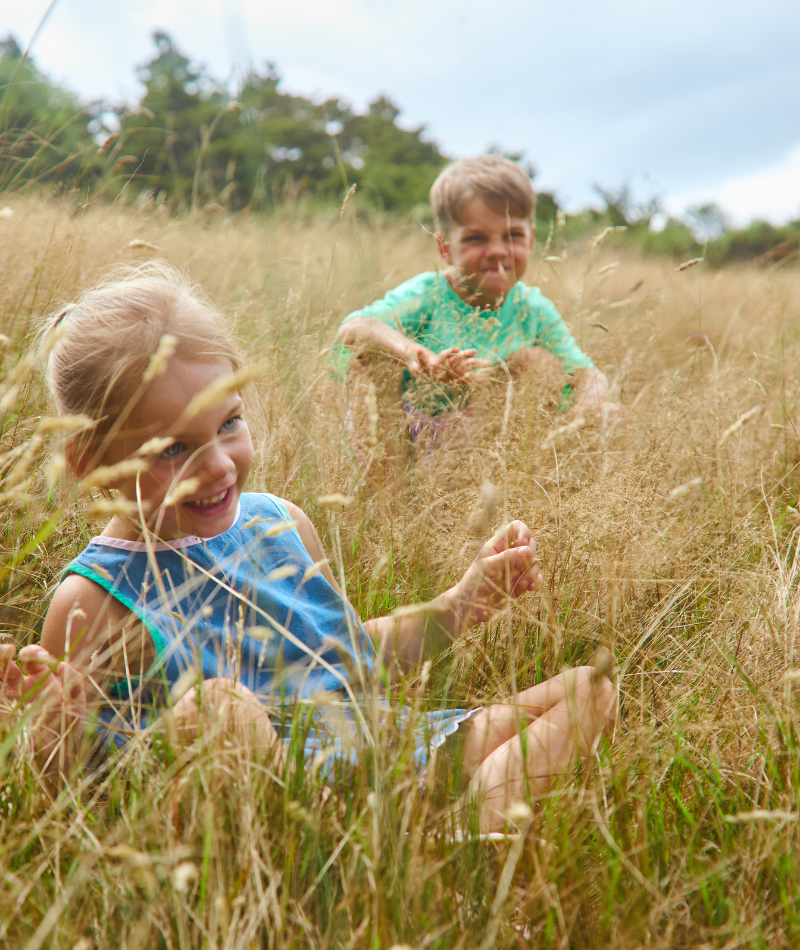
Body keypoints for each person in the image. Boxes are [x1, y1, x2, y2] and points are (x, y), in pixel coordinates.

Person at [0, 263, 616, 832]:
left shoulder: (281, 524)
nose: (218, 466)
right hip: (286, 809)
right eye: (172, 449)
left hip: (389, 752)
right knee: (221, 707)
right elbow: (73, 791)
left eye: (228, 425)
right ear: (90, 463)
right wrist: (46, 720)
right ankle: (360, 850)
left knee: (591, 688)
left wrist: (459, 604)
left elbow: (346, 656)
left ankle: (465, 834)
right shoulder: (94, 599)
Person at [336, 154, 617, 447]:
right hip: (408, 438)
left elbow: (588, 374)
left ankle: (514, 481)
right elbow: (353, 328)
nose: (497, 250)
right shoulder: (427, 294)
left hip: (485, 446)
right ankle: (383, 490)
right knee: (373, 358)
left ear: (531, 241)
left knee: (536, 363)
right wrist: (411, 352)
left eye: (512, 235)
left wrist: (589, 408)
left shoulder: (532, 309)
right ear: (445, 247)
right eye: (476, 238)